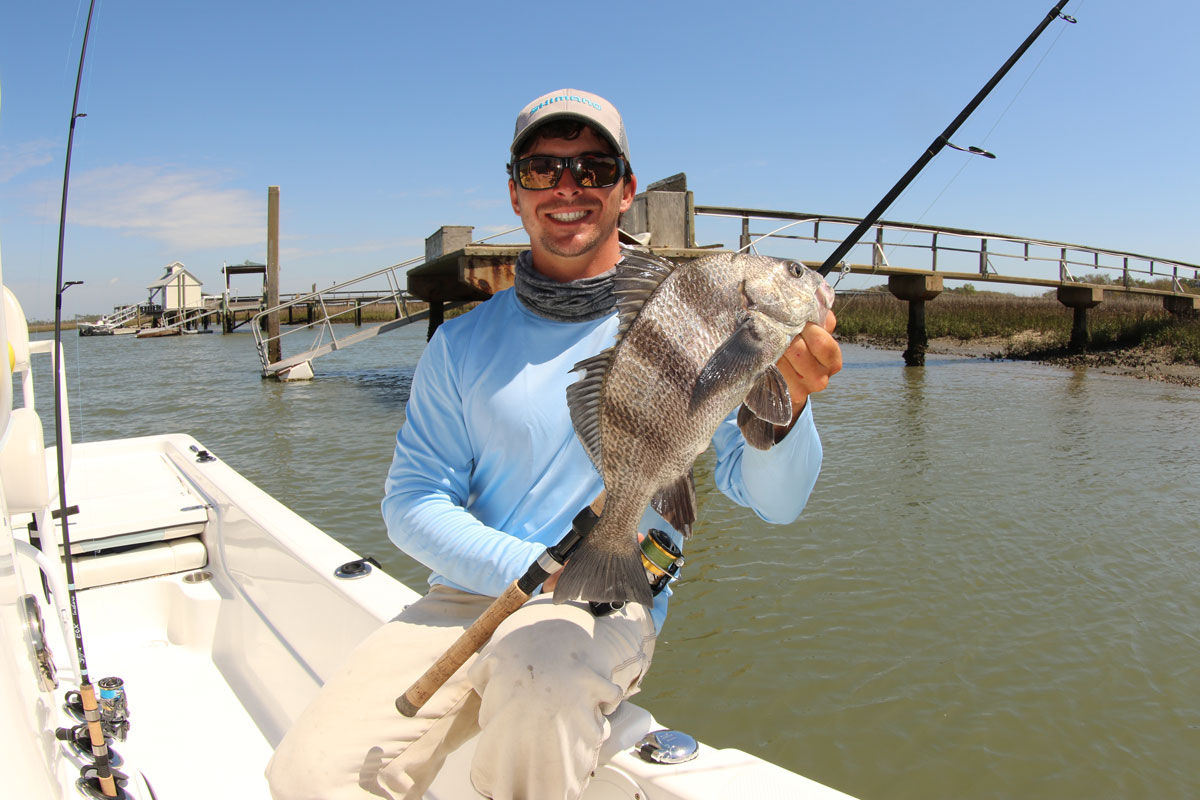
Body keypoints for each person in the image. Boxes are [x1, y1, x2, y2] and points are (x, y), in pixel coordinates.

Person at [266, 88, 842, 800]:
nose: (568, 188)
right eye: (543, 169)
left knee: (541, 682)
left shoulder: (709, 320)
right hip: (467, 596)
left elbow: (775, 503)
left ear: (626, 190)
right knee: (311, 773)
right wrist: (530, 571)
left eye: (594, 168)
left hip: (604, 600)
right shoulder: (461, 344)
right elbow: (412, 502)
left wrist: (792, 403)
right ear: (514, 192)